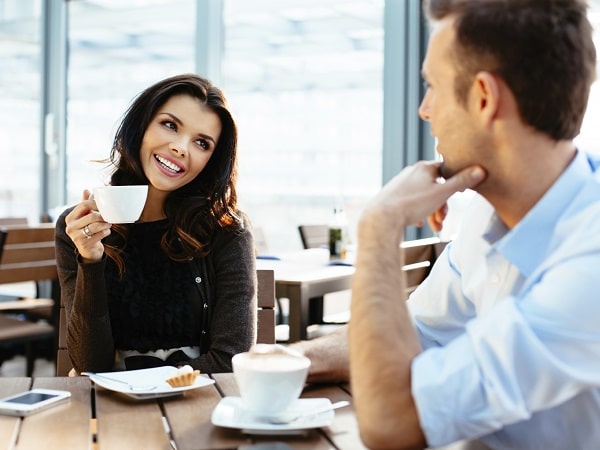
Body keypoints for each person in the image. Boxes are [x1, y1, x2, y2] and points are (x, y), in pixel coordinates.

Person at [291, 0, 600, 448]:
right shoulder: (483, 216)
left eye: (433, 86)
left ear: (483, 98)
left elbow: (393, 421)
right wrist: (284, 361)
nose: (424, 109)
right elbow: (417, 336)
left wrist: (379, 226)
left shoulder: (591, 263)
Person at [55, 74, 257, 375]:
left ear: (211, 161)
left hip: (194, 402)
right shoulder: (81, 226)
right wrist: (90, 259)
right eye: (170, 125)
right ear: (141, 125)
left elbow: (230, 359)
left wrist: (135, 382)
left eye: (201, 142)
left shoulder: (226, 230)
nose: (180, 147)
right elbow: (89, 364)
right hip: (114, 408)